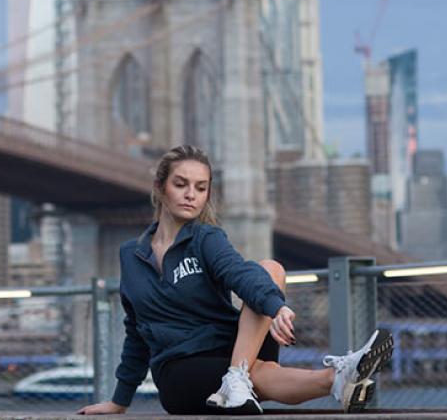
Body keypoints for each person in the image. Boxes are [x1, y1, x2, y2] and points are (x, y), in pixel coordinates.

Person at [77, 144, 393, 415]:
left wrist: (276, 306)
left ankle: (238, 379)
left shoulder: (206, 239)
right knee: (260, 372)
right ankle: (337, 378)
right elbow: (136, 333)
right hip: (180, 368)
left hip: (235, 346)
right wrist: (120, 402)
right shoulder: (130, 255)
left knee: (269, 268)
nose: (191, 195)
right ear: (160, 188)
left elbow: (238, 274)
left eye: (201, 188)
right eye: (181, 184)